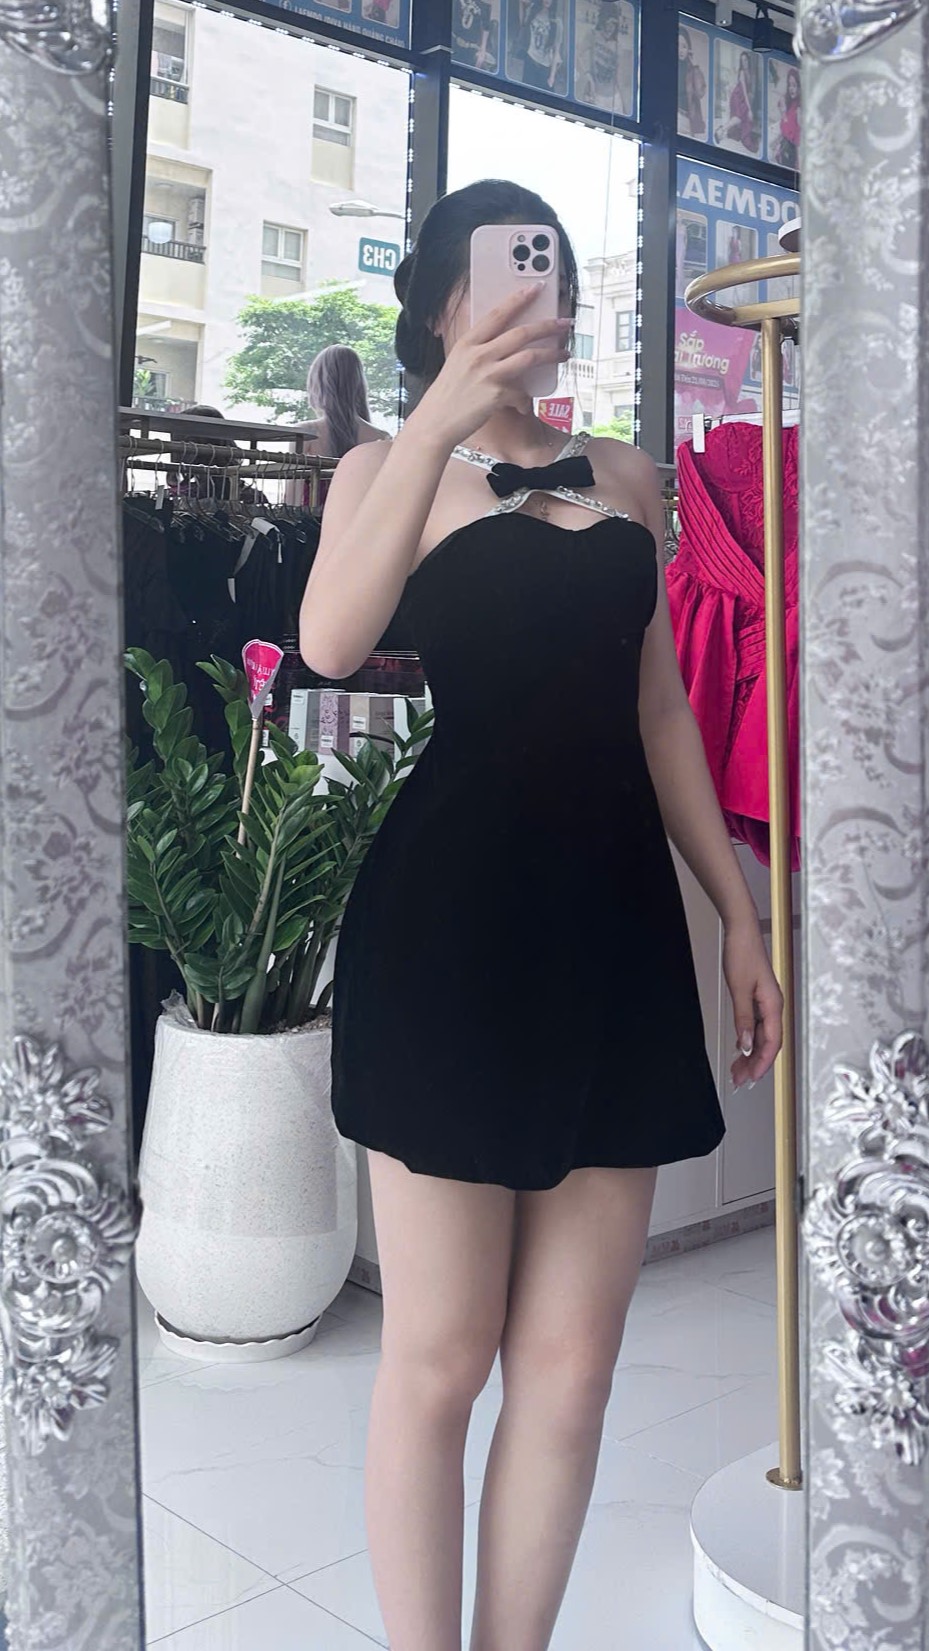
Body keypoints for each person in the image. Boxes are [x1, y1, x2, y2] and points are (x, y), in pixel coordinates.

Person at [299, 178, 783, 1651]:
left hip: (615, 936)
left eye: (553, 266)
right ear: (441, 301)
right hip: (450, 937)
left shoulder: (629, 476)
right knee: (441, 1357)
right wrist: (434, 425)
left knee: (570, 1369)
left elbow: (660, 711)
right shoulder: (386, 464)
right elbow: (329, 642)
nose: (535, 290)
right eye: (506, 267)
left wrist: (738, 913)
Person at [295, 345, 388, 461]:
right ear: (358, 383)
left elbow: (292, 473)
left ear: (317, 383)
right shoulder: (381, 437)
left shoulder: (304, 433)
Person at [719, 49, 761, 153]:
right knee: (738, 118)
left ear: (748, 61)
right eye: (742, 61)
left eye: (745, 60)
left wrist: (749, 106)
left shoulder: (751, 73)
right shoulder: (742, 73)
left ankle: (728, 132)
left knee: (744, 118)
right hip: (737, 97)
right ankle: (722, 130)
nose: (744, 63)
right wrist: (749, 109)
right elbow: (745, 91)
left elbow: (750, 92)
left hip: (743, 99)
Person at [521, 0, 564, 93]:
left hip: (544, 66)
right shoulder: (532, 11)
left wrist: (552, 76)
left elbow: (556, 51)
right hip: (530, 59)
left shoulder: (557, 22)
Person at [678, 25, 707, 138]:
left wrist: (696, 67)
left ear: (689, 49)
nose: (681, 50)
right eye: (678, 45)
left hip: (687, 119)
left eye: (684, 46)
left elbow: (700, 92)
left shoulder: (692, 69)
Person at [775, 65, 801, 168]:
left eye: (794, 85)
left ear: (799, 87)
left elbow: (796, 139)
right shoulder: (790, 104)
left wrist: (784, 115)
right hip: (784, 149)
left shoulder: (799, 109)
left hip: (792, 157)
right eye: (789, 85)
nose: (791, 89)